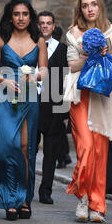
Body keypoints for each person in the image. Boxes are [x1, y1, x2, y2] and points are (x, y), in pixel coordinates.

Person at [0, 0, 48, 221]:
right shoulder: (1, 39)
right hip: (4, 98)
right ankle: (9, 197)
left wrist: (33, 75)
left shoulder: (38, 40)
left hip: (28, 97)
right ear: (11, 17)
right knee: (5, 148)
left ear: (31, 16)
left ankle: (23, 200)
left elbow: (45, 71)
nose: (21, 18)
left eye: (25, 14)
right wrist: (5, 80)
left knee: (25, 148)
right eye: (16, 14)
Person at [64, 0, 112, 223]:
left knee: (100, 152)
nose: (90, 9)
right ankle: (82, 196)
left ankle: (97, 206)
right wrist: (89, 55)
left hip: (102, 97)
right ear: (80, 9)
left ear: (100, 7)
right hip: (80, 95)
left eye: (94, 4)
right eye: (86, 5)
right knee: (86, 149)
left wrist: (107, 55)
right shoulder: (72, 33)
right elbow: (71, 66)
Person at [36, 11, 69, 205]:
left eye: (48, 23)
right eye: (42, 23)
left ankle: (45, 191)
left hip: (54, 105)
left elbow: (65, 81)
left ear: (54, 26)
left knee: (51, 152)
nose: (45, 26)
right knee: (29, 150)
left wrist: (65, 111)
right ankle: (27, 188)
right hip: (32, 102)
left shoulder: (62, 49)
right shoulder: (31, 48)